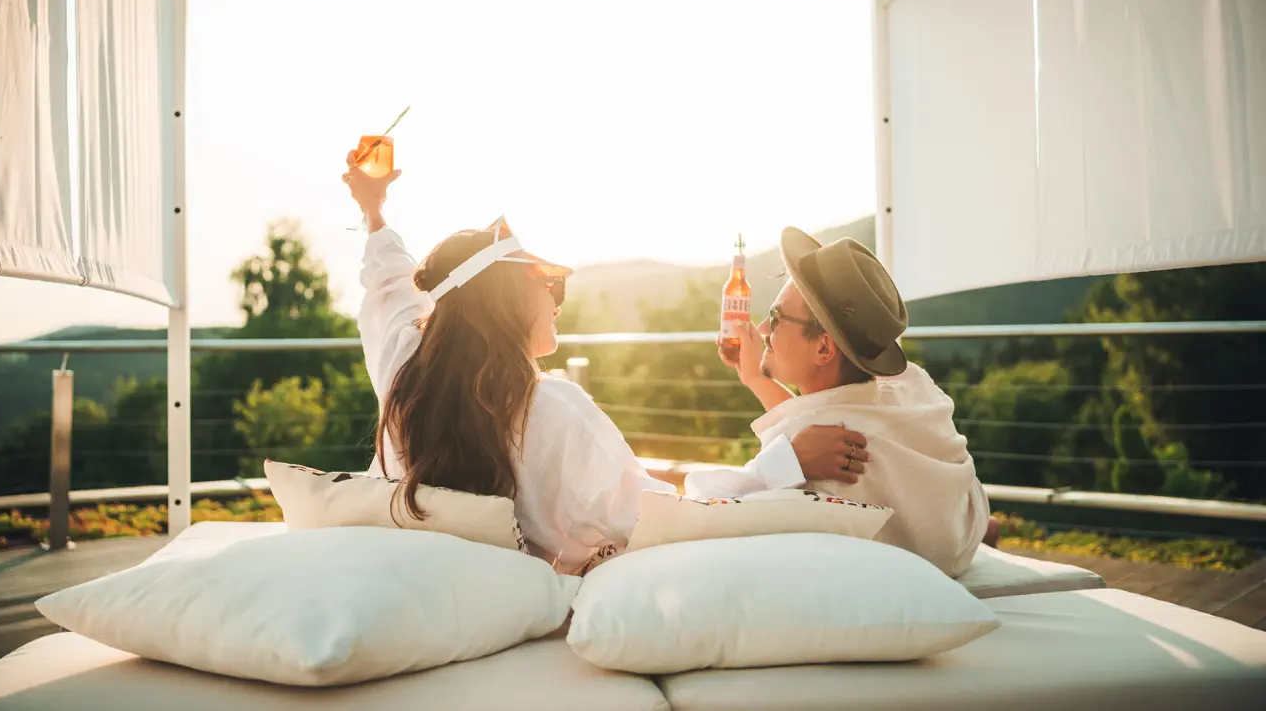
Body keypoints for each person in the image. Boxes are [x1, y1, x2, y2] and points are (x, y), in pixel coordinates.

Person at [341, 155, 871, 574]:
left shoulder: (404, 370)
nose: (557, 299)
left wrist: (373, 208)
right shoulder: (549, 410)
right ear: (503, 300)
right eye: (548, 286)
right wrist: (786, 463)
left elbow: (391, 284)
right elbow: (667, 519)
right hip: (513, 616)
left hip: (423, 585)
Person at [685, 228, 996, 577]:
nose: (762, 329)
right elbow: (829, 410)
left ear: (823, 348)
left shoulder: (825, 461)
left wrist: (787, 461)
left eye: (775, 318)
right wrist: (757, 379)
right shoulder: (915, 387)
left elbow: (702, 511)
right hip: (962, 527)